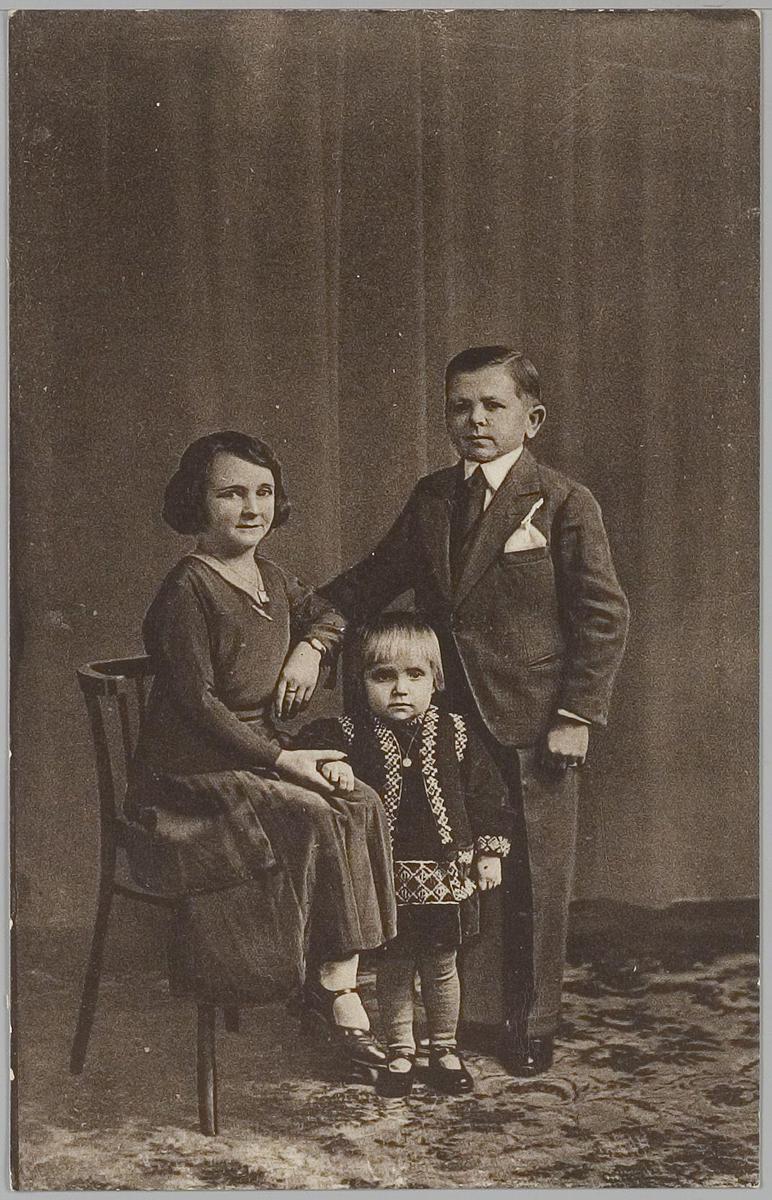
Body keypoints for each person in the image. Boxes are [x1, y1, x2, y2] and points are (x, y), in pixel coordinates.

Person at [320, 345, 630, 1075]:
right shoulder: (433, 497)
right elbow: (375, 578)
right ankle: (459, 1022)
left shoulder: (562, 501)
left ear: (533, 418)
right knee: (453, 863)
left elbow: (604, 615)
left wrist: (577, 714)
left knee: (533, 877)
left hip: (534, 718)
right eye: (460, 406)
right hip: (443, 719)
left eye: (493, 405)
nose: (475, 419)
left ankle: (530, 1022)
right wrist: (316, 632)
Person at [125, 431, 397, 1071]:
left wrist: (311, 647)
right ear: (197, 501)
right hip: (191, 774)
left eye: (264, 492)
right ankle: (337, 999)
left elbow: (330, 613)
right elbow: (199, 708)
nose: (252, 508)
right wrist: (283, 761)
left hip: (260, 755)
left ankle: (333, 978)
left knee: (361, 802)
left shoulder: (271, 576)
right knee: (316, 812)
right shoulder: (186, 591)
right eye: (231, 494)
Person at [296, 612, 510, 1097]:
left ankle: (445, 1048)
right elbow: (307, 745)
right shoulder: (353, 734)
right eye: (383, 676)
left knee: (441, 966)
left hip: (445, 874)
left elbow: (487, 795)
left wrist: (490, 853)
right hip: (387, 879)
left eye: (415, 675)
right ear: (362, 681)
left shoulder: (456, 733)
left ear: (436, 680)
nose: (400, 689)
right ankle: (400, 1050)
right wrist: (331, 766)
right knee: (393, 968)